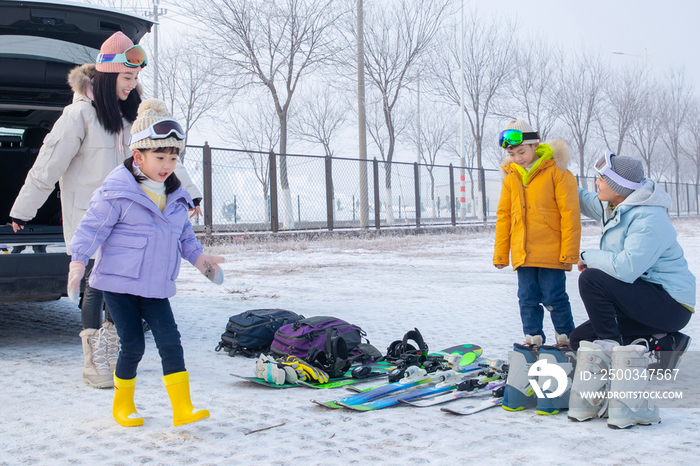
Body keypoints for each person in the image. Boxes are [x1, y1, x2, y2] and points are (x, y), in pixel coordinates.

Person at [8, 32, 202, 389]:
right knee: (96, 285)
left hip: (132, 219)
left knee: (123, 287)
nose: (132, 85)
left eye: (136, 78)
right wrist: (23, 211)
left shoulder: (133, 119)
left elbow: (163, 154)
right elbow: (47, 165)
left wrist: (190, 194)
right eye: (127, 78)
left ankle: (116, 348)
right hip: (93, 216)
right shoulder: (78, 115)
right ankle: (94, 357)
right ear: (109, 76)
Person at [67, 98, 224, 427]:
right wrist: (78, 262)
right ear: (138, 156)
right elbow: (91, 228)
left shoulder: (176, 198)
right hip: (117, 285)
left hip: (155, 286)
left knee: (171, 342)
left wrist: (201, 259)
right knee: (134, 345)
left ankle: (183, 408)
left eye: (173, 156)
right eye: (159, 156)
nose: (167, 164)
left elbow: (185, 239)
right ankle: (122, 405)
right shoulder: (118, 192)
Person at [568, 152, 694, 428]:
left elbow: (627, 269)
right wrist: (552, 169)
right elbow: (580, 197)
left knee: (592, 279)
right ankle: (661, 344)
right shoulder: (616, 206)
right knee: (580, 340)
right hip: (642, 300)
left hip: (671, 304)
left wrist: (588, 256)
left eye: (602, 178)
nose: (596, 182)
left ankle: (619, 382)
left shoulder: (650, 219)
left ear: (619, 186)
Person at [493, 120, 581, 414]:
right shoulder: (511, 177)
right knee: (527, 297)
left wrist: (569, 252)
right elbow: (504, 216)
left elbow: (570, 214)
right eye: (512, 154)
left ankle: (565, 339)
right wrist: (501, 252)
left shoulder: (558, 172)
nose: (517, 158)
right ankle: (533, 339)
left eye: (521, 151)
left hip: (552, 252)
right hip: (523, 252)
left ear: (534, 145)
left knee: (554, 297)